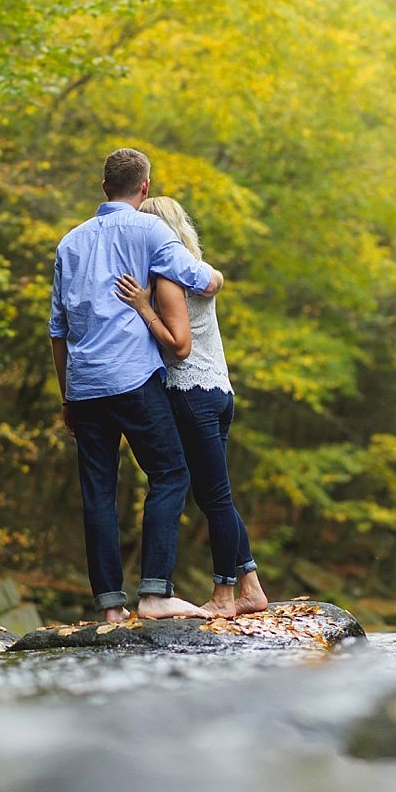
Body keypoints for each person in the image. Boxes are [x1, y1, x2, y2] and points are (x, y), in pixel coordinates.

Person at [49, 148, 225, 623]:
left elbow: (58, 330)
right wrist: (218, 276)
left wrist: (67, 397)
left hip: (84, 388)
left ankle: (109, 605)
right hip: (133, 380)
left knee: (98, 493)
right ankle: (154, 593)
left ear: (104, 187)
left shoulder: (69, 243)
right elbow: (200, 281)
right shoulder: (151, 229)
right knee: (170, 474)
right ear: (144, 188)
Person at [113, 195, 268, 619]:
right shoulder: (195, 268)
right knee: (215, 493)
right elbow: (215, 280)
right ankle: (251, 586)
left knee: (214, 497)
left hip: (190, 392)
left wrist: (143, 309)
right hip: (219, 391)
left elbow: (177, 347)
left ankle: (224, 594)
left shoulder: (166, 275)